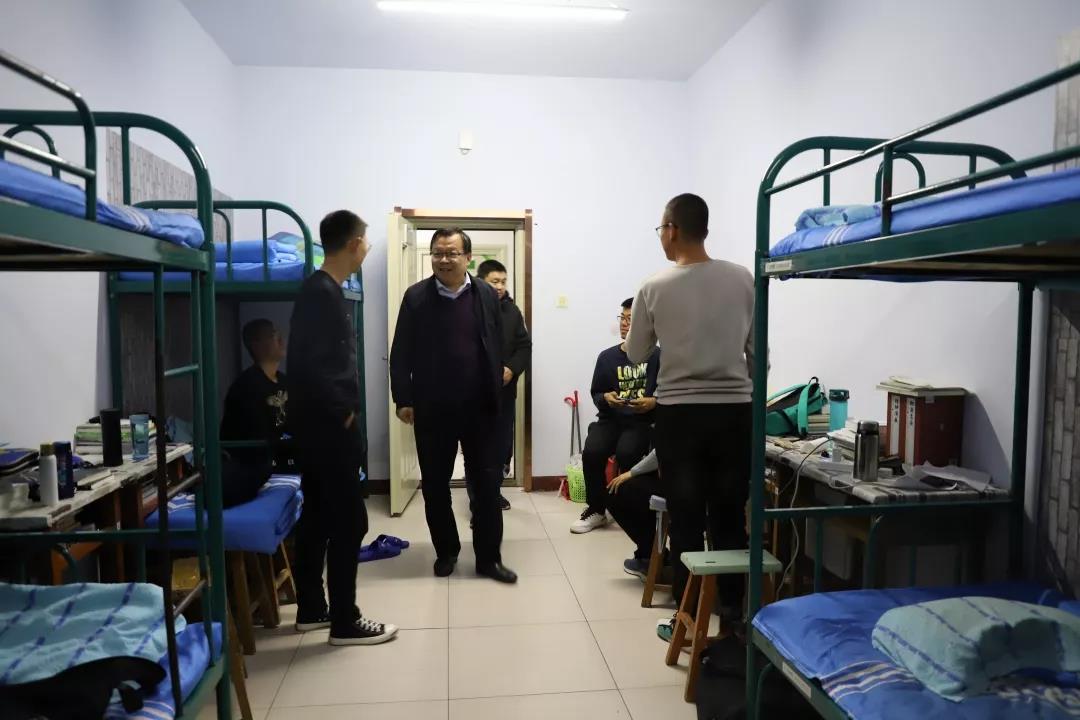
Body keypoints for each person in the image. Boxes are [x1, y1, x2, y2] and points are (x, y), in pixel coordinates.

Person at [625, 193, 758, 642]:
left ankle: (685, 620)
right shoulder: (742, 279)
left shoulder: (654, 286)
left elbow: (635, 353)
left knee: (685, 519)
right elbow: (758, 354)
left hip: (679, 417)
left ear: (672, 229)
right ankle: (733, 616)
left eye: (661, 229)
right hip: (735, 413)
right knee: (729, 517)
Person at [286, 209, 397, 646]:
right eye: (365, 240)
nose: (367, 247)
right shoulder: (323, 294)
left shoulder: (322, 290)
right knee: (350, 523)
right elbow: (312, 367)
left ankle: (313, 608)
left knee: (316, 517)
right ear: (353, 244)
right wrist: (344, 413)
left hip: (318, 429)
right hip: (329, 430)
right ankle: (344, 622)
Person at [390, 228, 518, 584]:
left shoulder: (486, 294)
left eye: (452, 253)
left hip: (481, 408)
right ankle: (446, 552)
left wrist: (499, 380)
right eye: (438, 253)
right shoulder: (416, 297)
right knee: (435, 485)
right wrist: (403, 399)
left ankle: (489, 559)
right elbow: (401, 352)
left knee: (487, 486)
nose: (444, 260)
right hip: (434, 408)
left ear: (468, 258)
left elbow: (496, 341)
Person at [570, 298, 659, 534]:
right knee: (592, 452)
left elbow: (667, 395)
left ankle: (630, 509)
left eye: (631, 319)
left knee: (628, 453)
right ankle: (597, 509)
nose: (624, 324)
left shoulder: (658, 357)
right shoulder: (607, 357)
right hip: (610, 419)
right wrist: (606, 398)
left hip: (641, 421)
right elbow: (597, 393)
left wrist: (653, 402)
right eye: (623, 318)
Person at [473, 258, 531, 511]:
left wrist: (511, 369)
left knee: (502, 447)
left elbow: (524, 346)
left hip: (504, 393)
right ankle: (478, 502)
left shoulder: (512, 311)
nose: (499, 286)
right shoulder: (469, 307)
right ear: (480, 281)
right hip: (474, 393)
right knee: (478, 448)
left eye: (503, 281)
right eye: (494, 281)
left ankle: (493, 491)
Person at [219, 319, 289, 507]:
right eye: (273, 335)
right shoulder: (246, 387)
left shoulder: (284, 382)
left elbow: (292, 424)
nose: (281, 339)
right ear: (256, 346)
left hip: (274, 457)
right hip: (250, 464)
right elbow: (255, 443)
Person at [606, 449, 669, 582]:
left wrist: (632, 472)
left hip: (683, 488)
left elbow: (660, 450)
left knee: (616, 492)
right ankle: (653, 555)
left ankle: (651, 556)